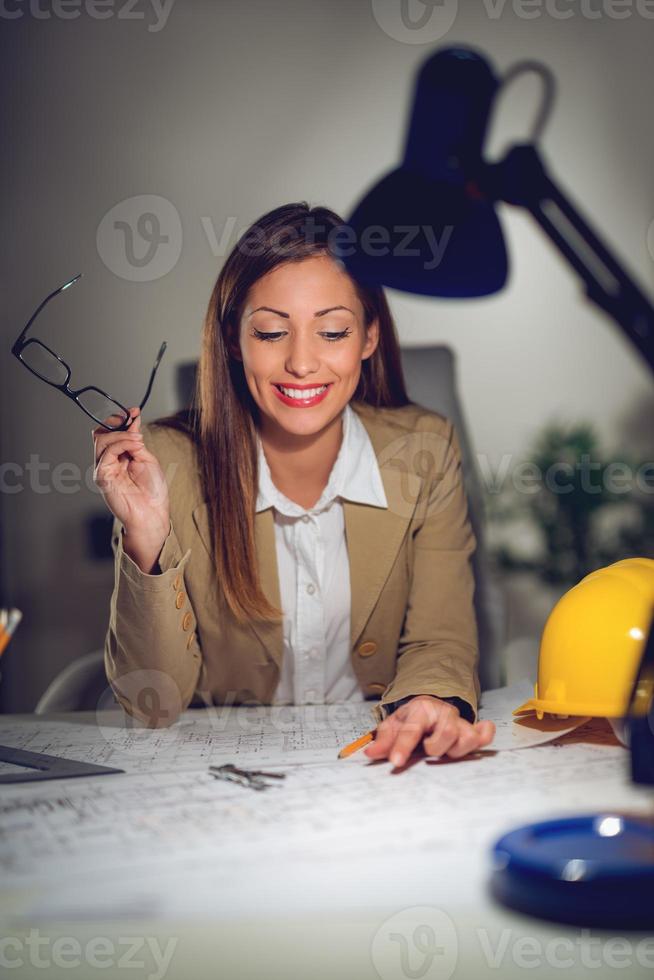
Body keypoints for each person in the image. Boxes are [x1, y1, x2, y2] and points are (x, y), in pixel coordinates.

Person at [95, 202, 495, 767]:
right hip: (223, 775)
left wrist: (428, 702)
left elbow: (439, 636)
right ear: (234, 341)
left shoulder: (424, 451)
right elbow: (150, 705)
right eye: (271, 332)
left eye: (332, 331)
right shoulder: (167, 463)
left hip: (377, 762)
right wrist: (146, 538)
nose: (302, 363)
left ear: (369, 337)